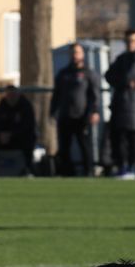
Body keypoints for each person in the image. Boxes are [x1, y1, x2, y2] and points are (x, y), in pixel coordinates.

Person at [51, 43, 102, 177]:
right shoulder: (63, 74)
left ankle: (88, 172)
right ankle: (67, 173)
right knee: (64, 148)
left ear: (82, 54)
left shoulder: (88, 73)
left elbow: (94, 95)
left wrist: (94, 111)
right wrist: (52, 112)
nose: (75, 55)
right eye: (73, 53)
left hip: (82, 116)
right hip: (65, 115)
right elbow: (57, 94)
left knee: (85, 147)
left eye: (77, 52)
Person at [105, 29, 135, 179]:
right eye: (128, 41)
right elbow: (108, 75)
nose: (130, 44)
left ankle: (132, 168)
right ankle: (121, 167)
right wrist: (123, 83)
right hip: (119, 104)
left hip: (134, 106)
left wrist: (122, 80)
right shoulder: (121, 58)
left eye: (133, 41)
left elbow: (130, 75)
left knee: (132, 140)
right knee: (118, 138)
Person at [0, 85, 37, 176]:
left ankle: (28, 169)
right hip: (5, 137)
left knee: (28, 141)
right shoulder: (3, 104)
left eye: (13, 95)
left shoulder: (25, 105)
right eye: (8, 95)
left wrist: (11, 134)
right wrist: (1, 134)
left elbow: (27, 126)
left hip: (21, 136)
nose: (10, 97)